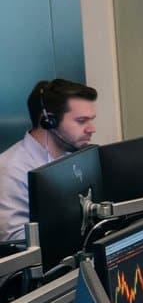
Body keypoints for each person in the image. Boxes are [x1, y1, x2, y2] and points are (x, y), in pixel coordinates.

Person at [1, 79, 98, 243]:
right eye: (81, 121)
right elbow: (15, 245)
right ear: (48, 121)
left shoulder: (76, 157)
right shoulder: (11, 170)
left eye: (91, 119)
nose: (92, 129)